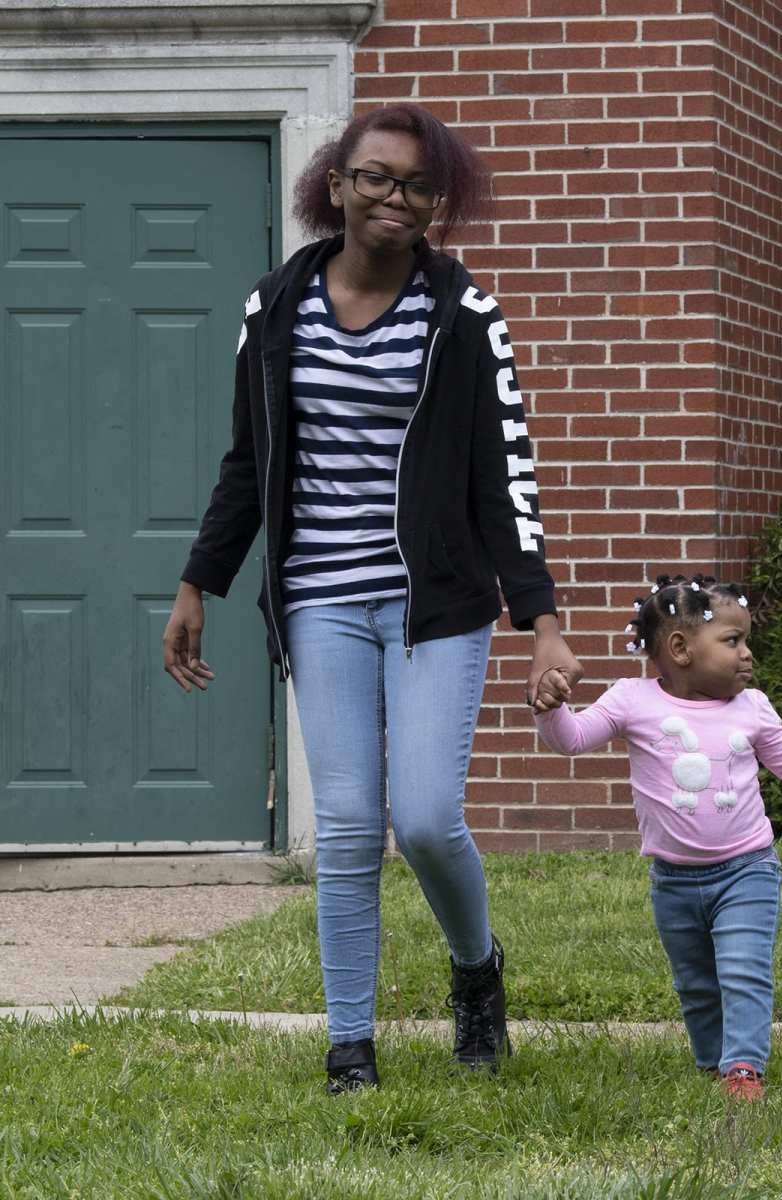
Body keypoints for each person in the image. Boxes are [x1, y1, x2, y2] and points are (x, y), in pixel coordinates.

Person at [161, 102, 581, 1094]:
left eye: (420, 186)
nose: (398, 198)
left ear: (440, 204)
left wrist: (545, 625)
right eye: (378, 178)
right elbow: (247, 461)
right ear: (336, 186)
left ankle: (476, 971)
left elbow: (505, 475)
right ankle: (351, 1045)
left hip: (435, 601)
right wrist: (198, 582)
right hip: (319, 599)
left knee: (429, 816)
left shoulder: (464, 315)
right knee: (350, 825)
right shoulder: (275, 308)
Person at [530, 573, 782, 1101]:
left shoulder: (752, 707)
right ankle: (713, 1063)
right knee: (698, 986)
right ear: (680, 648)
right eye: (733, 641)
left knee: (742, 970)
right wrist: (550, 707)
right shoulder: (632, 700)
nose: (747, 654)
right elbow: (572, 739)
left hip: (747, 870)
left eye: (745, 640)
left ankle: (743, 1069)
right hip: (673, 881)